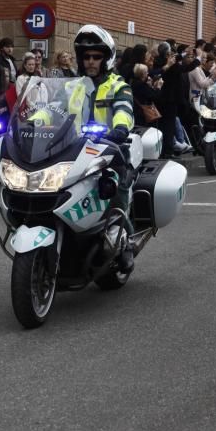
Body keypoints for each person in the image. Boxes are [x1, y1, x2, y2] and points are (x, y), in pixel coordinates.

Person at [72, 24, 136, 274]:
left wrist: (120, 128)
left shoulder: (119, 85)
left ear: (106, 58)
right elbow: (52, 110)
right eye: (86, 57)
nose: (90, 62)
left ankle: (126, 241)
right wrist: (32, 120)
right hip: (75, 151)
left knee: (114, 190)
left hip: (110, 150)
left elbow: (125, 111)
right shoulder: (73, 86)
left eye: (96, 57)